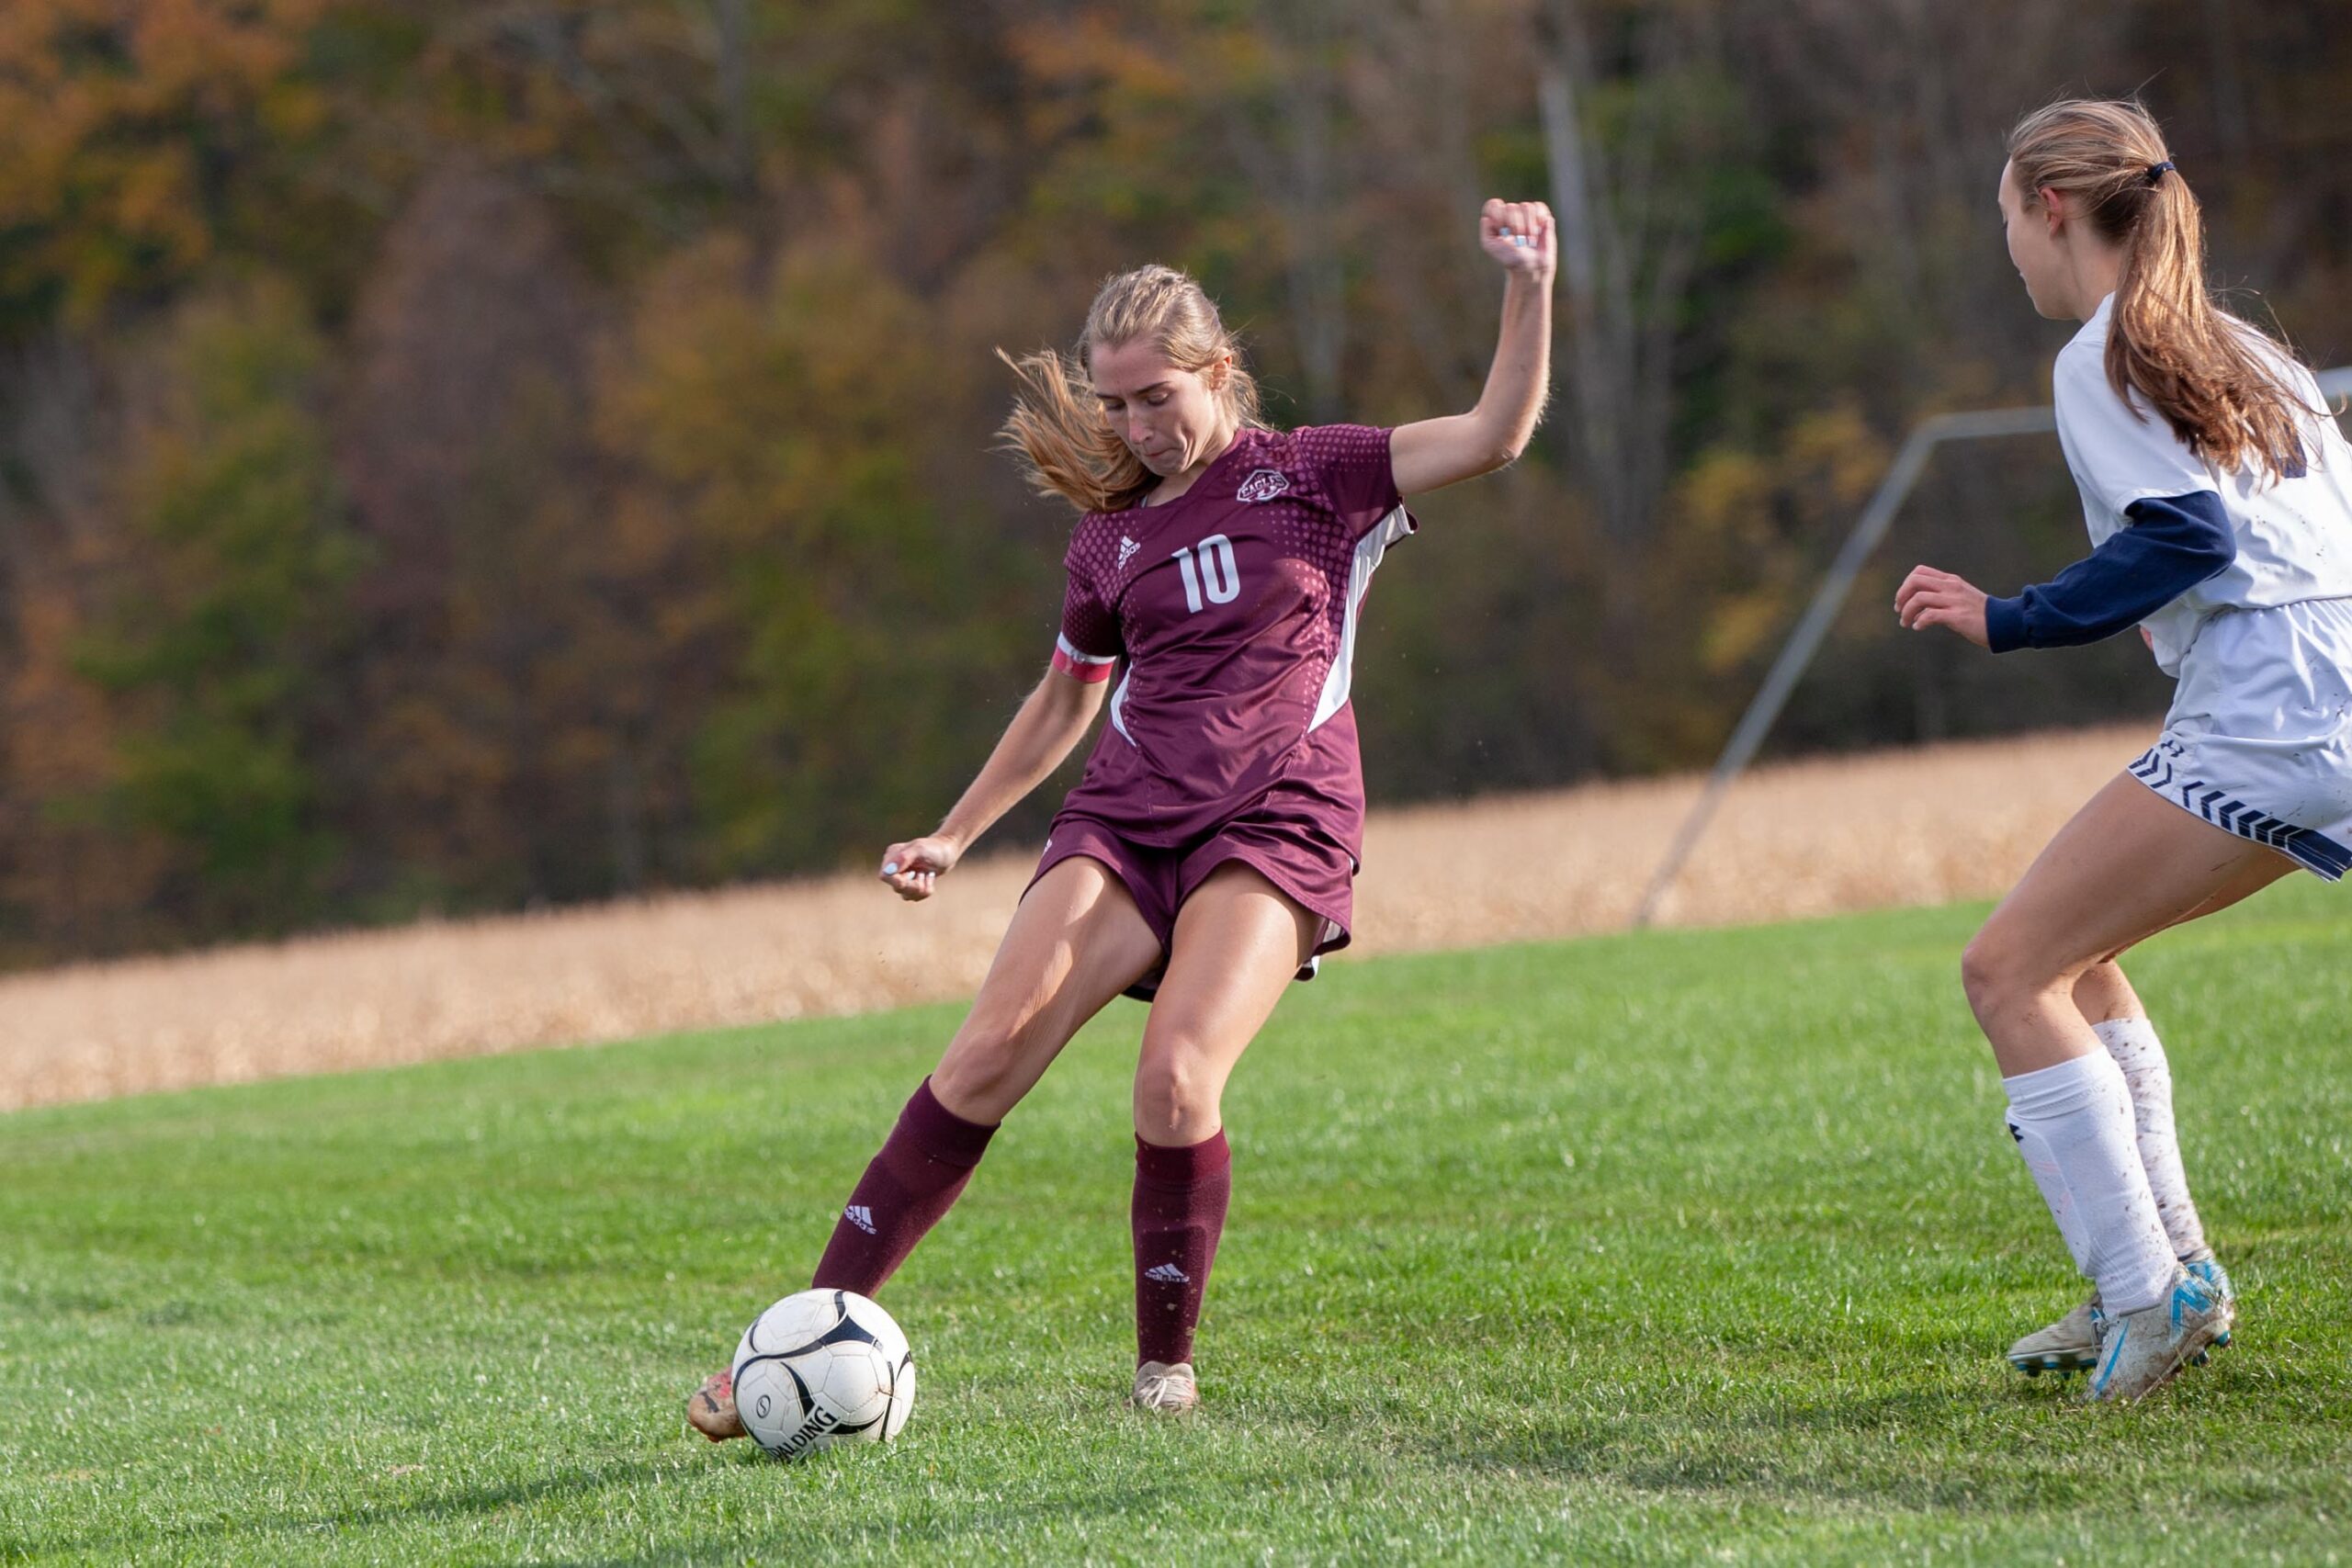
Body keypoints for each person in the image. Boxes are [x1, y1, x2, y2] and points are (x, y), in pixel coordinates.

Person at [689, 196, 1556, 1433]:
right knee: (982, 1057)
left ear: (1220, 372)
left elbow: (1494, 434)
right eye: (1117, 404)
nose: (1139, 426)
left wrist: (1531, 286)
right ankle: (790, 1341)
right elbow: (1064, 698)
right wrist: (955, 830)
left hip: (1277, 823)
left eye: (1159, 397)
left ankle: (1164, 1367)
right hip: (1126, 818)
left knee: (1176, 1076)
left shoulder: (1321, 476)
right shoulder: (1107, 545)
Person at [1896, 97, 2352, 1402]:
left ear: (2051, 209)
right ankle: (2157, 1276)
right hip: (2330, 696)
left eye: (2004, 221)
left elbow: (2188, 540)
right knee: (2078, 961)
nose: (2010, 251)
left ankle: (2149, 1298)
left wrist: (2009, 617)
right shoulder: (2243, 348)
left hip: (2271, 709)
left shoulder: (2101, 352)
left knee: (2006, 969)